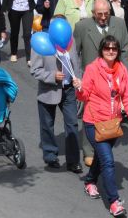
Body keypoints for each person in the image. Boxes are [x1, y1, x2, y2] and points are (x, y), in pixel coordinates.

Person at [72, 35, 128, 217]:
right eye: (107, 48)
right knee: (108, 161)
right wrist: (79, 88)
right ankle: (114, 202)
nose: (110, 51)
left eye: (114, 49)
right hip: (94, 123)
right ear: (101, 51)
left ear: (118, 51)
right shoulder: (92, 69)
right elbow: (84, 96)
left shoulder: (122, 70)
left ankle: (89, 181)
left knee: (101, 158)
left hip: (113, 124)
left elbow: (127, 97)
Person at [31, 21, 83, 173]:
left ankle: (73, 161)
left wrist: (78, 80)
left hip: (69, 90)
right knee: (47, 124)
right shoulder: (42, 43)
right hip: (49, 90)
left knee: (72, 124)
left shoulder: (70, 41)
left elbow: (76, 63)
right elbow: (35, 70)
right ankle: (50, 156)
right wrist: (52, 76)